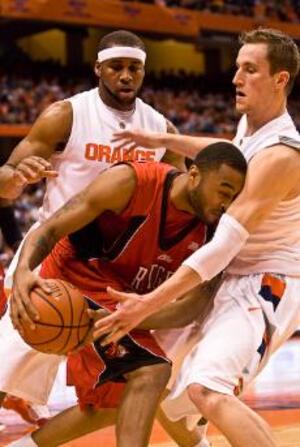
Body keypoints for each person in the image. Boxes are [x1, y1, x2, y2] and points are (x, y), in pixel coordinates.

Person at [0, 29, 211, 446]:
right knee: (7, 373)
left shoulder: (159, 129)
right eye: (116, 67)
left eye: (134, 68)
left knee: (142, 379)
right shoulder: (66, 115)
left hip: (113, 276)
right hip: (54, 262)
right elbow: (5, 179)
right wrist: (14, 180)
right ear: (98, 68)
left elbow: (177, 198)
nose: (126, 75)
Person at [94, 28, 300, 447]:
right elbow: (227, 149)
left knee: (207, 390)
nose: (235, 79)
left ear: (281, 79)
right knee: (163, 388)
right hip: (228, 280)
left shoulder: (282, 155)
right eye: (237, 67)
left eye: (249, 69)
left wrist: (149, 304)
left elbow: (223, 244)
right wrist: (164, 139)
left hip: (266, 283)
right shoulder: (251, 129)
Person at [9, 143, 246, 447]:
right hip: (72, 278)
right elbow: (52, 227)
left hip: (119, 298)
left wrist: (133, 317)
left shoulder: (216, 231)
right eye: (224, 191)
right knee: (151, 371)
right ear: (195, 175)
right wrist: (23, 274)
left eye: (235, 196)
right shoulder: (131, 182)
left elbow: (192, 307)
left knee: (119, 401)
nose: (228, 203)